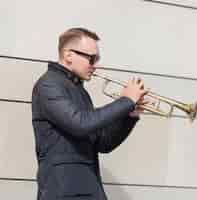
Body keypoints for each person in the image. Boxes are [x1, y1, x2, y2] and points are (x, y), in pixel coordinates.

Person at [31, 27, 148, 200]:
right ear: (68, 55)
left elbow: (104, 143)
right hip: (63, 190)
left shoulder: (78, 90)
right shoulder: (48, 85)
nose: (95, 65)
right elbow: (80, 124)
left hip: (88, 188)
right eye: (91, 58)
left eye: (97, 58)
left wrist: (129, 116)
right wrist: (125, 101)